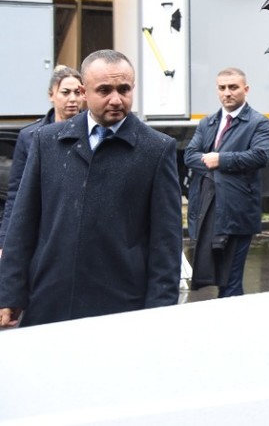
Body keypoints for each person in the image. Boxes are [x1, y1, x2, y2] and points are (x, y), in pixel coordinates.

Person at [0, 50, 181, 327]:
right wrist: (10, 293)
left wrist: (159, 312)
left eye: (124, 89)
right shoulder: (47, 141)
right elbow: (23, 223)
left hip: (120, 306)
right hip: (49, 300)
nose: (116, 99)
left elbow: (166, 243)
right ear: (84, 92)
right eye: (104, 90)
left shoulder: (156, 149)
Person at [185, 67, 269, 297]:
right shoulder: (207, 122)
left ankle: (232, 318)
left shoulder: (258, 122)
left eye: (233, 87)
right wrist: (217, 165)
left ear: (246, 89)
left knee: (230, 281)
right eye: (222, 88)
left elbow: (260, 156)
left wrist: (221, 160)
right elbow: (190, 155)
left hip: (238, 211)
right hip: (209, 208)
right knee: (214, 276)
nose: (227, 93)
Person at [0, 66, 85, 253]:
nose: (73, 99)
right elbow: (16, 193)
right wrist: (5, 242)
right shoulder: (30, 136)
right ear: (51, 95)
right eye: (65, 92)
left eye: (78, 93)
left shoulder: (93, 133)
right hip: (43, 229)